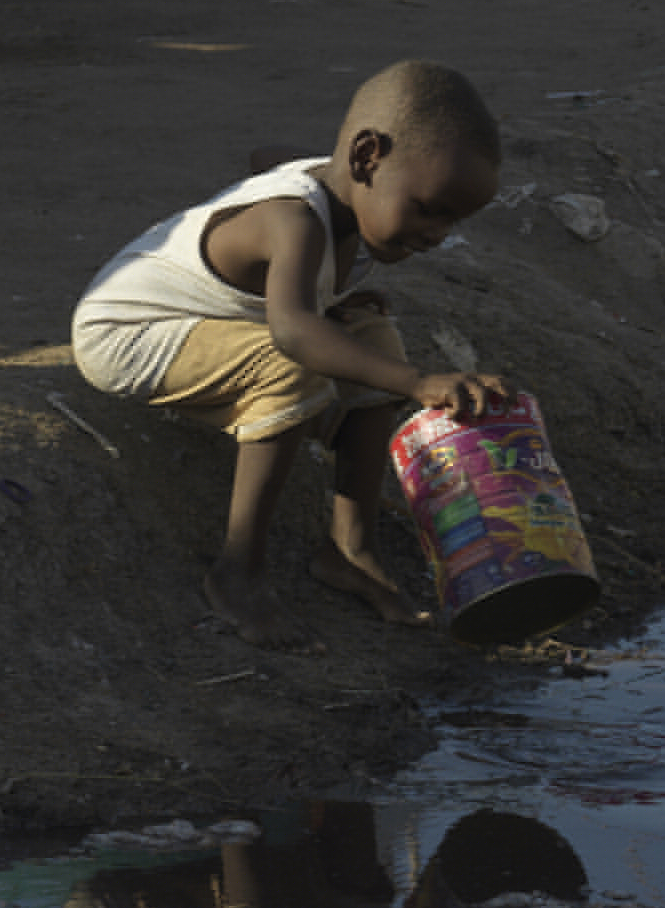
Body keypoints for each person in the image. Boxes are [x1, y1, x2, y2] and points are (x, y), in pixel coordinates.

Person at [69, 61, 508, 628]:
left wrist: (324, 295)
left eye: (453, 222)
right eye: (428, 209)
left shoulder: (343, 188)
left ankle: (350, 549)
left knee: (374, 337)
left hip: (209, 317)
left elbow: (267, 156)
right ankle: (238, 571)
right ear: (366, 157)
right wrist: (419, 384)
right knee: (291, 367)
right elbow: (294, 331)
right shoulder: (294, 220)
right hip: (127, 333)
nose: (436, 234)